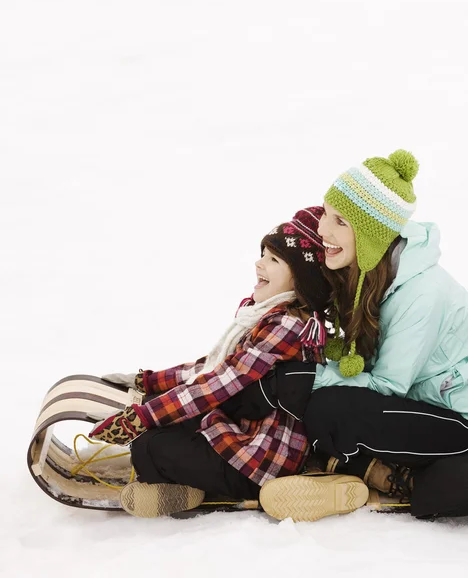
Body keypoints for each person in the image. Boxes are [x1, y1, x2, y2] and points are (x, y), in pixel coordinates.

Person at [89, 207, 369, 520]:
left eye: (274, 260)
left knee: (149, 444)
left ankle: (200, 484)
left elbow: (220, 382)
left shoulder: (287, 325)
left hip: (257, 460)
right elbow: (213, 366)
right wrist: (151, 383)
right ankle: (185, 489)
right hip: (240, 432)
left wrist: (141, 418)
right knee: (160, 426)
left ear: (301, 281)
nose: (259, 263)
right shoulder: (263, 312)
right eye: (263, 254)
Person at [259, 149, 468, 521]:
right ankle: (369, 472)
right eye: (325, 213)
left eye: (339, 221)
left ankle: (384, 476)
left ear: (372, 234)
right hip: (422, 410)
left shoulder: (423, 294)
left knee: (331, 406)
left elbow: (388, 387)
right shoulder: (365, 269)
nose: (323, 229)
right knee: (315, 400)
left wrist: (315, 377)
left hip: (457, 419)